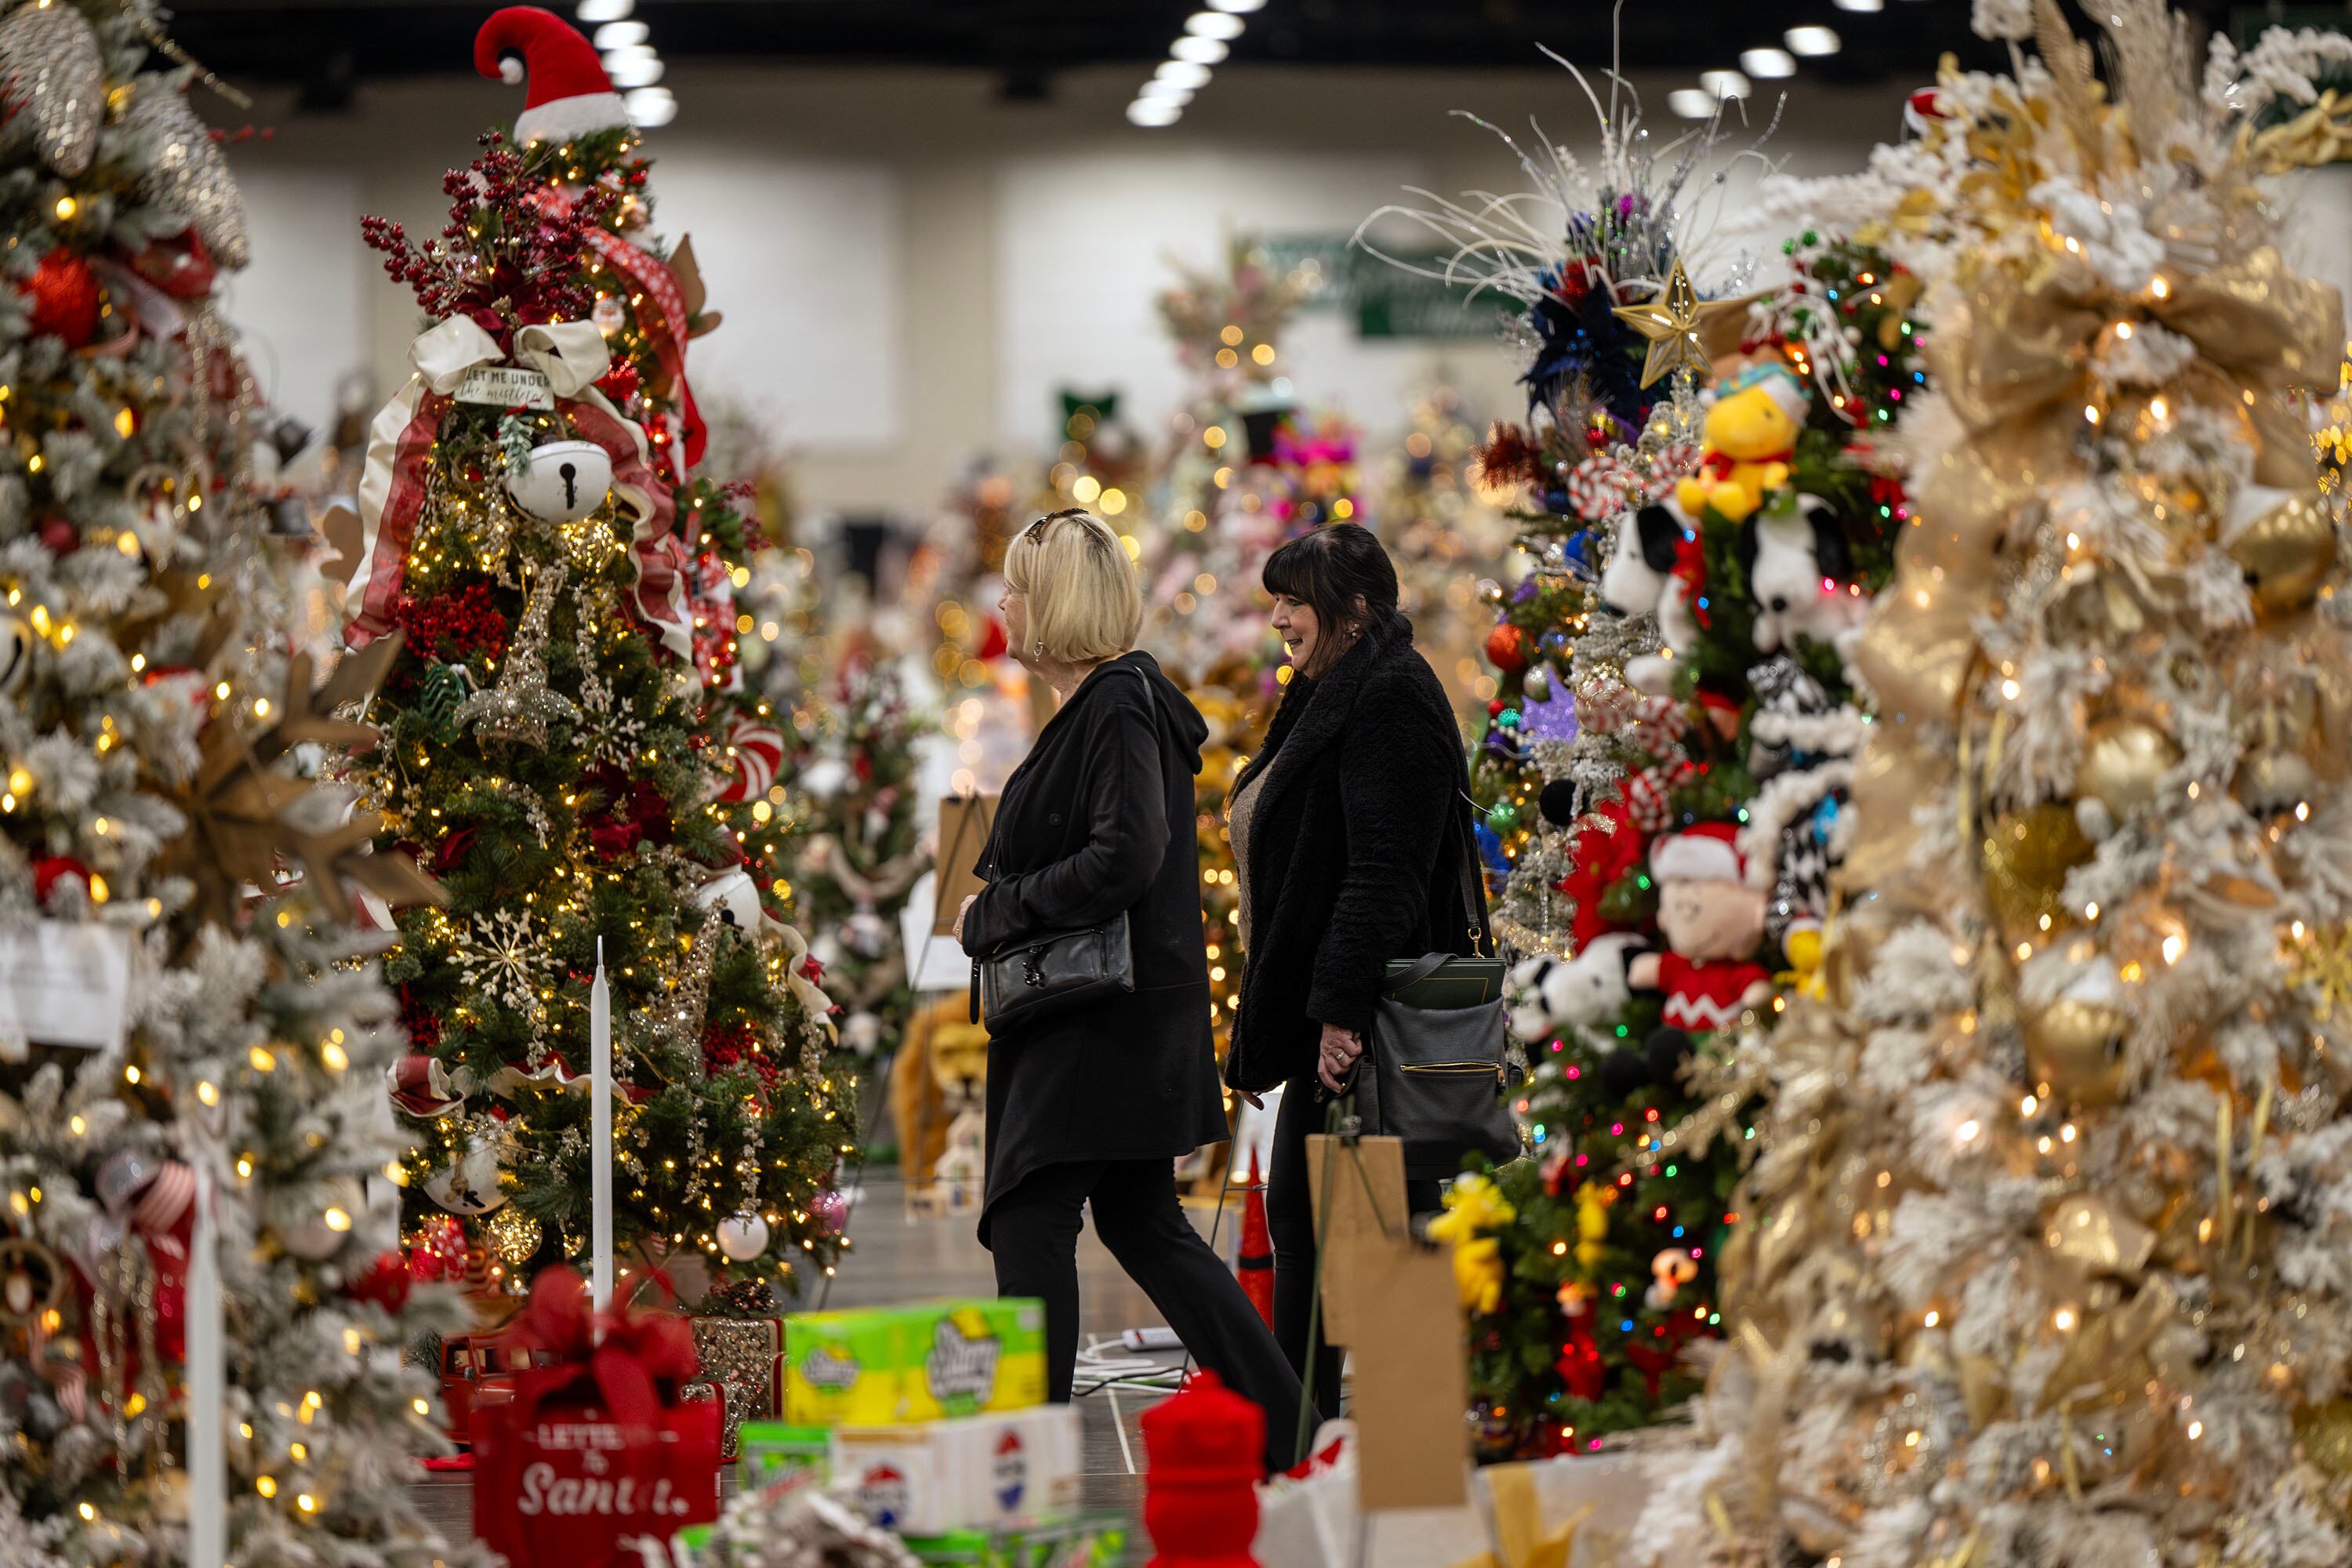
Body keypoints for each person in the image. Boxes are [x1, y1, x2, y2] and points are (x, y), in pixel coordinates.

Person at [954, 508, 1303, 1468]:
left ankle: (1026, 1464)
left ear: (1055, 601)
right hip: (1116, 1019)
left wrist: (998, 911)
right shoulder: (1109, 704)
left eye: (1018, 587)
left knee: (1031, 1220)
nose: (1004, 603)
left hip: (1096, 1024)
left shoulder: (1114, 705)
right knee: (1142, 1220)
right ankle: (1284, 1424)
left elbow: (1124, 855)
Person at [1223, 522, 1490, 1416]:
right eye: (1277, 601)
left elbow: (1385, 870)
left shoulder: (1391, 697)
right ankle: (1308, 1435)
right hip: (1342, 1022)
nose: (1279, 620)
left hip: (1374, 1027)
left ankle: (1358, 1445)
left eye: (1294, 601)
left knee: (1368, 1241)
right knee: (1312, 1229)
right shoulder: (1337, 683)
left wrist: (1337, 1008)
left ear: (1355, 609)